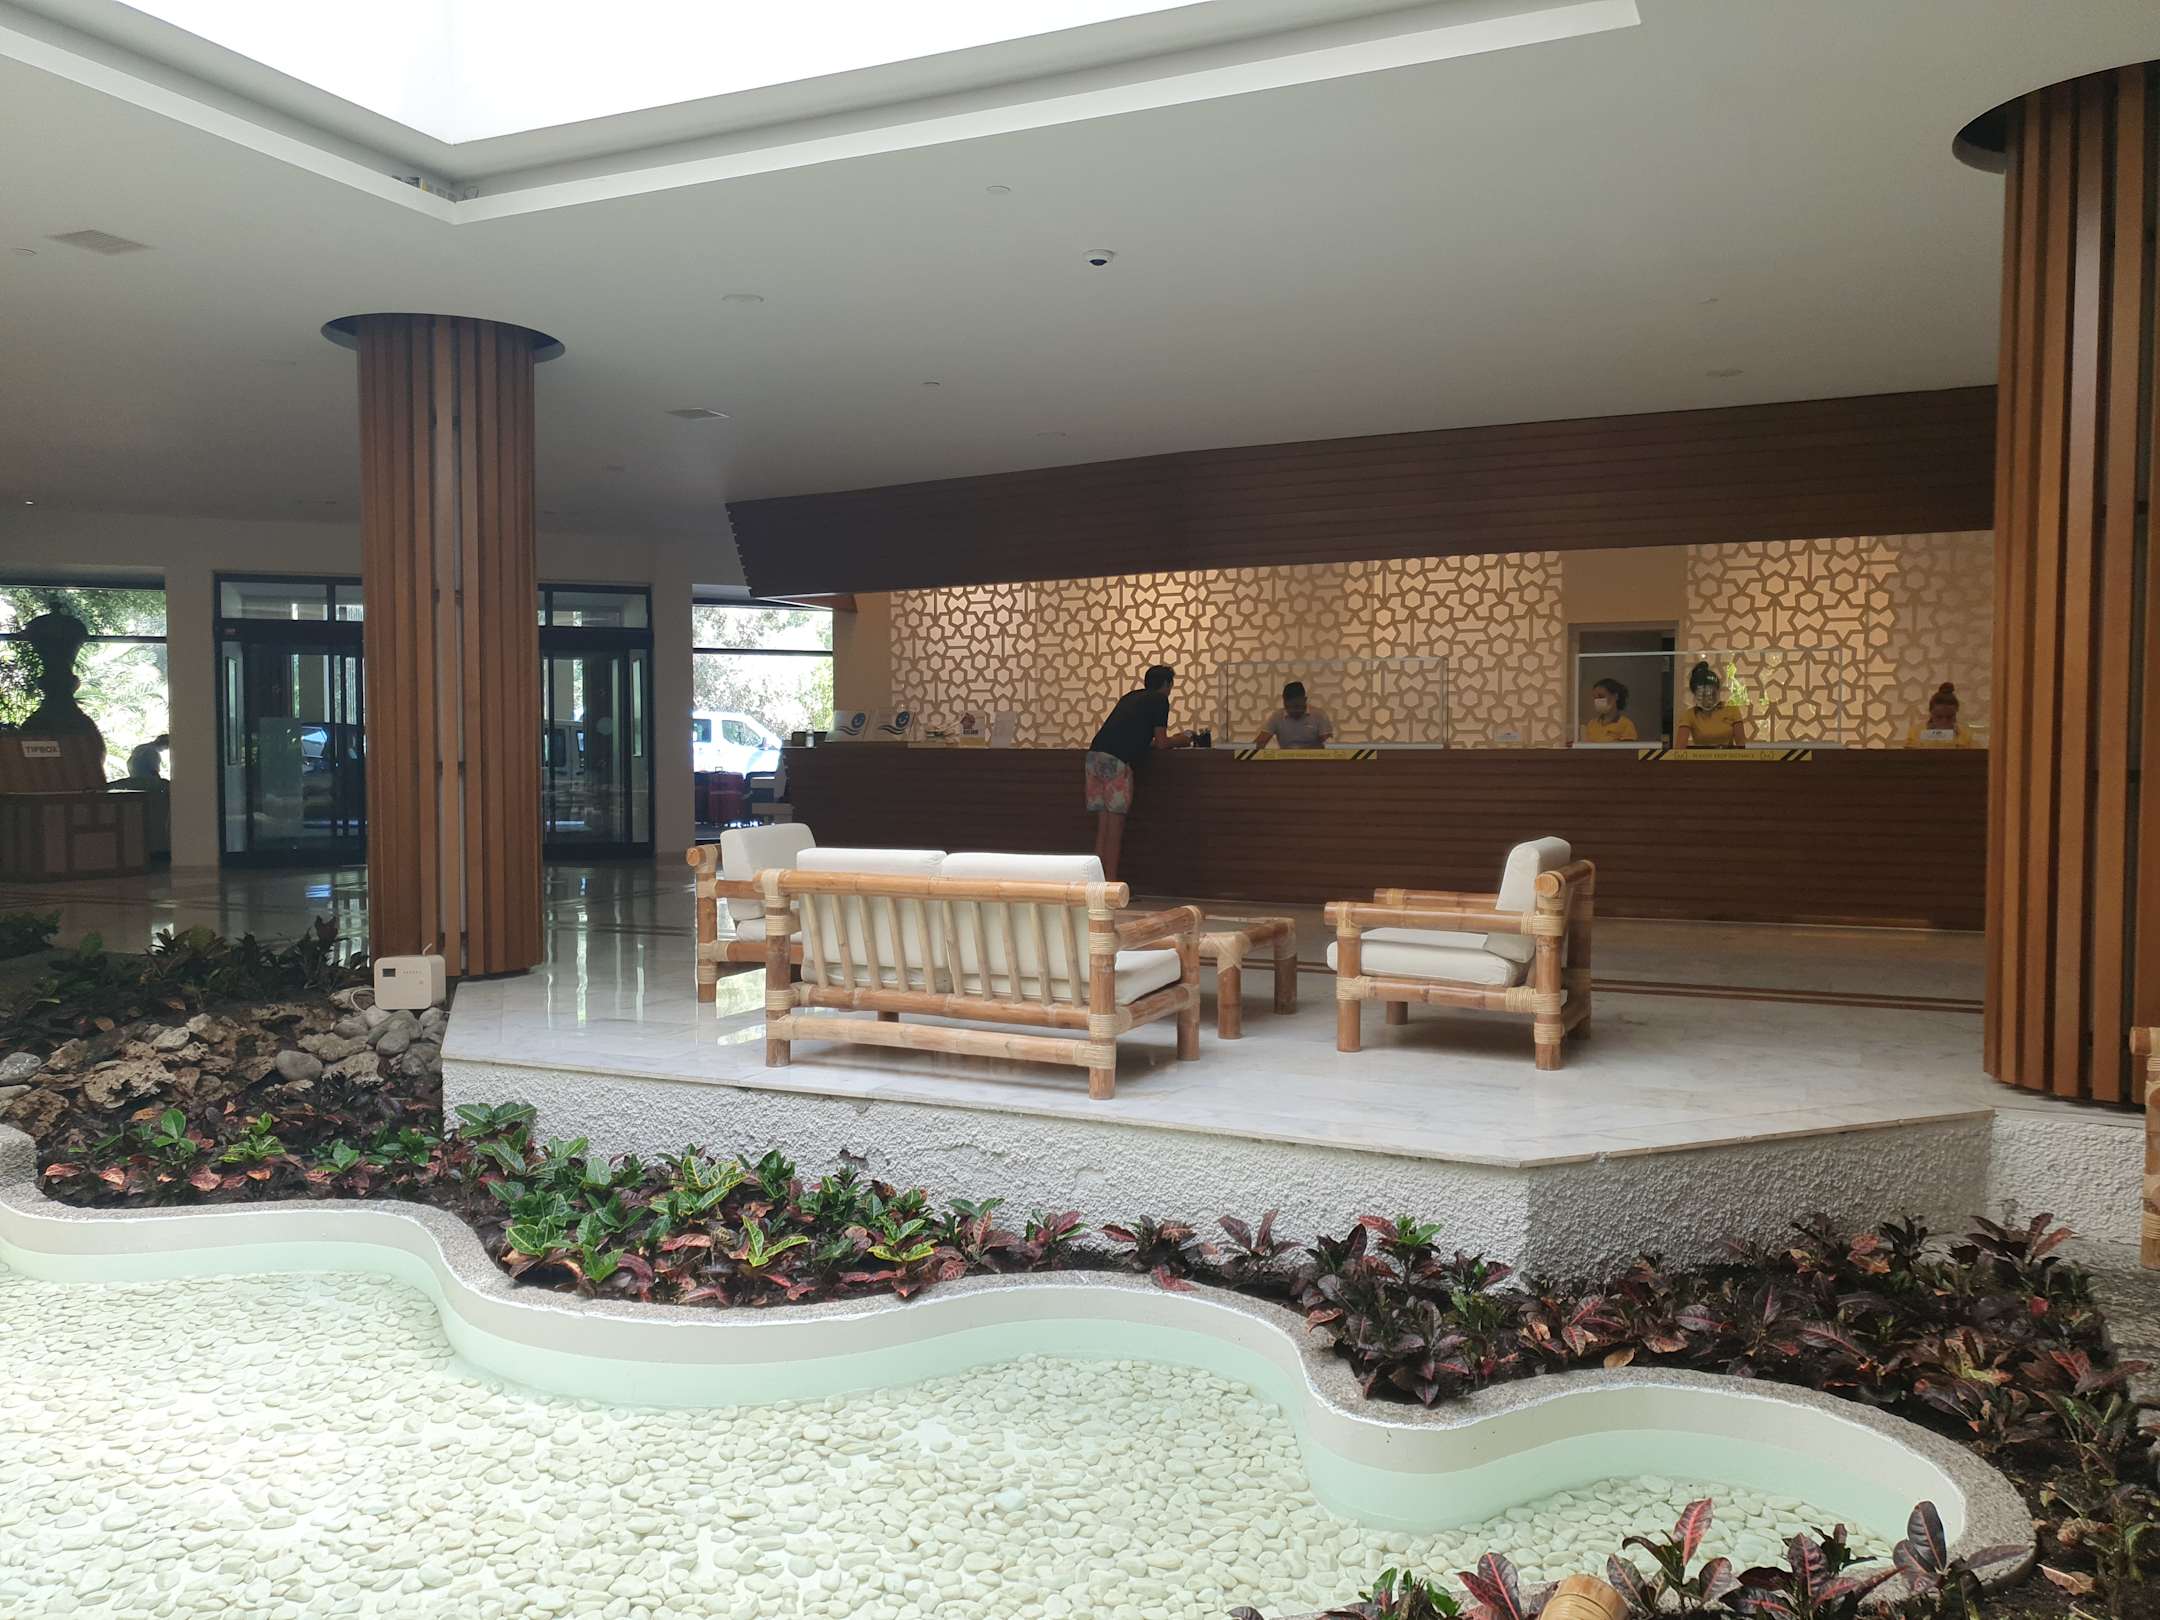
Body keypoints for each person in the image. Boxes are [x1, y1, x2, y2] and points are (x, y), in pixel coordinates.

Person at [1085, 664, 1192, 882]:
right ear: (1167, 684)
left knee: (1103, 826)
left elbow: (1137, 736)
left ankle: (1095, 884)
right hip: (1117, 761)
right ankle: (1111, 885)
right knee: (1115, 828)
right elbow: (1161, 742)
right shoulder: (1160, 700)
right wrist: (1183, 739)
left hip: (1094, 758)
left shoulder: (1131, 697)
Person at [1677, 662, 1749, 748]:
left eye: (1711, 692)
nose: (1708, 696)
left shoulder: (1732, 710)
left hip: (1728, 756)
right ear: (1695, 694)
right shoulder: (1689, 715)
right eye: (1702, 693)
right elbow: (1679, 749)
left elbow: (1741, 745)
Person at [1252, 680, 1333, 749]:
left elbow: (1329, 746)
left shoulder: (1319, 715)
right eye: (1289, 707)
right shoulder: (1277, 716)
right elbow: (1259, 742)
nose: (1293, 711)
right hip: (1285, 759)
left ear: (1305, 700)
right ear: (1284, 702)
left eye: (1297, 706)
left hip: (1313, 760)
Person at [1905, 682, 1977, 748]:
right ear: (1931, 713)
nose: (1944, 721)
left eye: (1949, 717)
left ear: (1956, 713)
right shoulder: (1916, 732)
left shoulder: (1965, 734)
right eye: (1938, 717)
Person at [1579, 678, 1638, 744]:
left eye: (1601, 696)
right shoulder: (1592, 724)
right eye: (1595, 698)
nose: (1597, 701)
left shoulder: (1626, 724)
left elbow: (1627, 749)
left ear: (1615, 696)